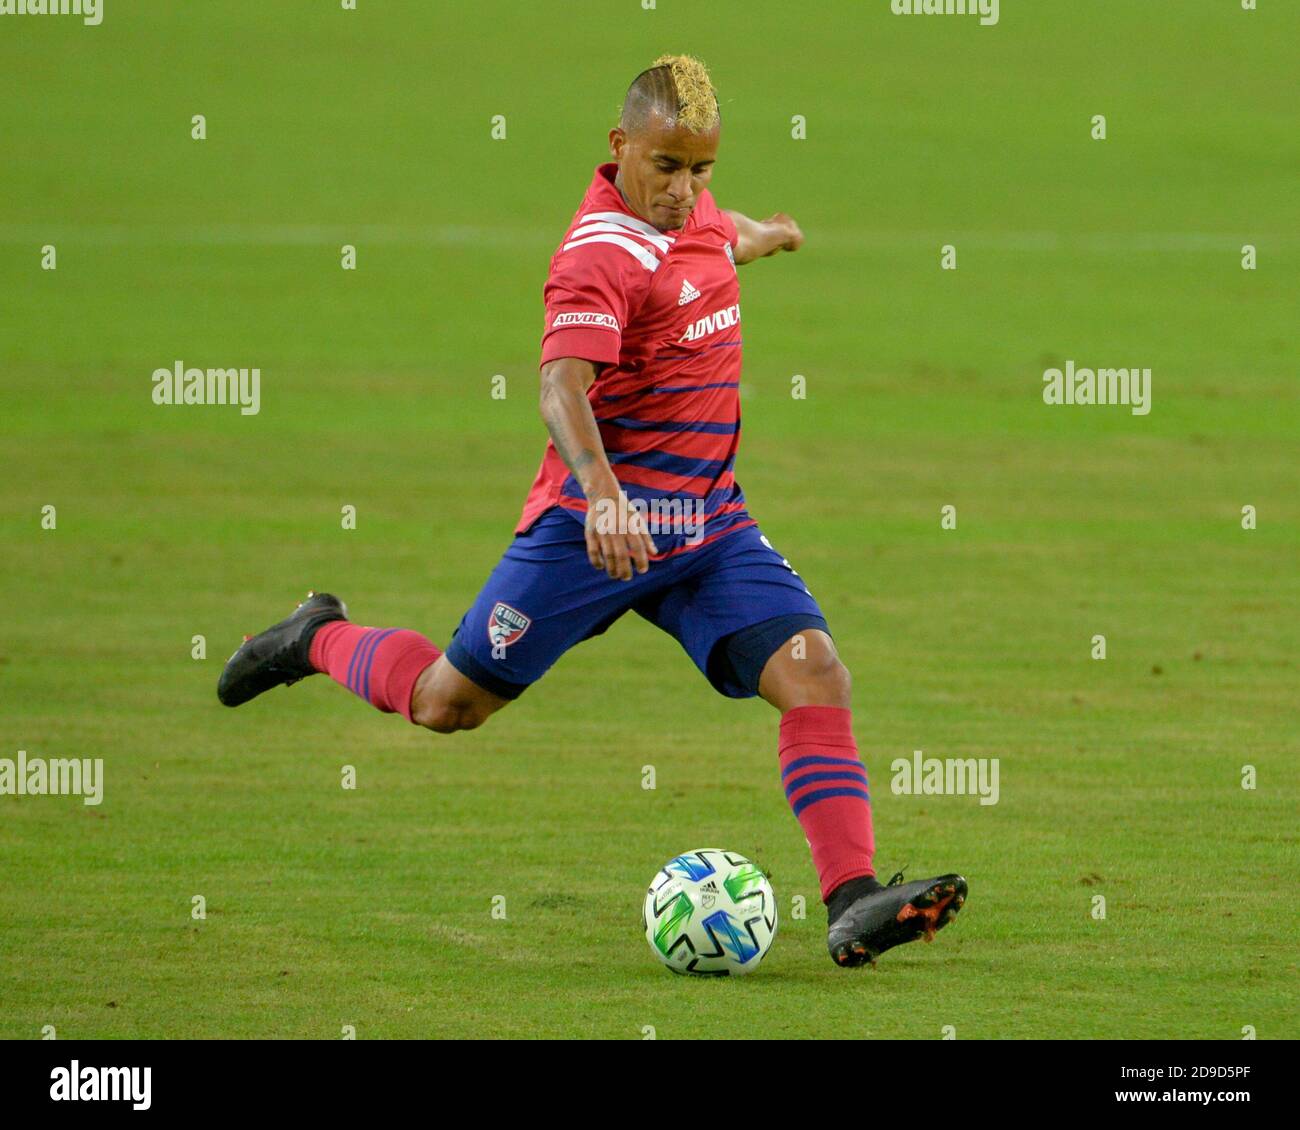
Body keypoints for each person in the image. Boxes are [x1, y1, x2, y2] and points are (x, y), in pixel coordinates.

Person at [218, 54, 966, 967]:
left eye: (703, 170)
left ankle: (854, 899)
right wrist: (605, 498)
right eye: (667, 167)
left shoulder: (688, 216)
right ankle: (313, 637)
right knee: (446, 705)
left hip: (707, 526)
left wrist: (764, 233)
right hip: (591, 534)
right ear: (620, 148)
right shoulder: (598, 255)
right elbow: (560, 385)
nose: (686, 189)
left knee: (817, 672)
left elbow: (709, 239)